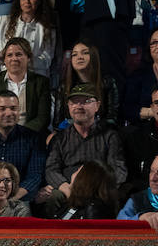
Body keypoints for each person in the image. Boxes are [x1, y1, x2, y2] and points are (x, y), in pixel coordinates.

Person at [39, 83, 125, 216]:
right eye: (74, 102)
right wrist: (66, 188)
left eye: (85, 101)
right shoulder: (60, 138)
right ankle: (54, 235)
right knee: (53, 196)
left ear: (97, 105)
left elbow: (119, 169)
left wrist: (99, 187)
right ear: (68, 106)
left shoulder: (110, 135)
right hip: (69, 189)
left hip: (99, 189)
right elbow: (51, 169)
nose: (79, 106)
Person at [0, 37, 51, 136]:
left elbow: (43, 118)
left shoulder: (41, 83)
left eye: (19, 54)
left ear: (28, 58)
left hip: (29, 136)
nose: (14, 58)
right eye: (9, 55)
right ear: (4, 59)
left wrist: (20, 134)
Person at [0, 0, 59, 79]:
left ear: (39, 0)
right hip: (6, 75)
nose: (27, 1)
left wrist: (24, 62)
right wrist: (3, 55)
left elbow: (47, 60)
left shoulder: (47, 27)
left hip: (34, 77)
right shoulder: (3, 21)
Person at [57, 39, 119, 128]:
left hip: (100, 132)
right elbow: (58, 122)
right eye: (74, 54)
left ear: (94, 56)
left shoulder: (107, 83)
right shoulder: (64, 86)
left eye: (85, 53)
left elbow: (112, 119)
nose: (79, 57)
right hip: (71, 134)